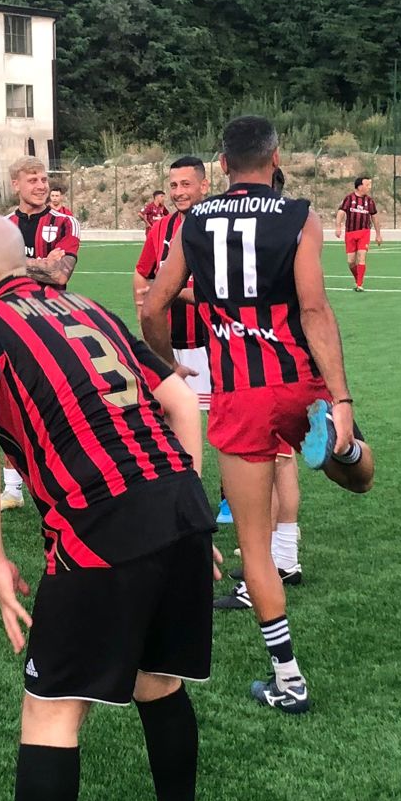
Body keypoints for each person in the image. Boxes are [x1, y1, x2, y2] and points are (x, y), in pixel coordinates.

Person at [0, 216, 214, 801]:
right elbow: (180, 398)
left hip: (100, 524)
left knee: (51, 709)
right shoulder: (88, 306)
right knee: (159, 682)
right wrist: (185, 504)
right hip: (180, 504)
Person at [142, 116, 368, 715]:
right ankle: (343, 446)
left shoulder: (193, 221)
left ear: (221, 165)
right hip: (298, 381)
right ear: (276, 157)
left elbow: (153, 306)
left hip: (239, 392)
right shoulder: (300, 216)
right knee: (360, 477)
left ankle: (288, 680)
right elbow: (314, 309)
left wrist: (168, 367)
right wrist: (342, 398)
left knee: (253, 546)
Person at [133, 155, 234, 528]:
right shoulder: (161, 228)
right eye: (173, 185)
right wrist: (145, 309)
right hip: (167, 344)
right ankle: (174, 496)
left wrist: (169, 293)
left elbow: (220, 290)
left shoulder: (219, 226)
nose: (178, 192)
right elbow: (142, 274)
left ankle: (229, 498)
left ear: (204, 185)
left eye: (186, 184)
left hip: (213, 342)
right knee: (164, 419)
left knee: (224, 422)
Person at [0, 156, 81, 510]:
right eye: (32, 179)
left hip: (53, 327)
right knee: (11, 406)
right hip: (11, 325)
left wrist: (16, 264)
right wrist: (40, 264)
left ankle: (64, 481)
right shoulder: (2, 227)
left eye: (44, 179)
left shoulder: (65, 222)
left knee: (59, 409)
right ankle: (12, 489)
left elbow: (60, 274)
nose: (41, 185)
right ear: (15, 184)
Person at [336, 176, 382, 291]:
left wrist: (378, 234)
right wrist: (338, 227)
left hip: (364, 232)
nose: (369, 187)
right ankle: (357, 278)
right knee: (351, 262)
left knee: (362, 257)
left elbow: (375, 217)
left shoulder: (369, 201)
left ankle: (359, 284)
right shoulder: (349, 198)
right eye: (367, 185)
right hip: (350, 233)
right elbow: (341, 212)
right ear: (360, 186)